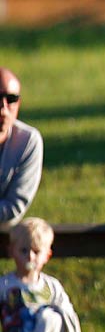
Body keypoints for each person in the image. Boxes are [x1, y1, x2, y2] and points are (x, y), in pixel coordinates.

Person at [0, 67, 43, 237]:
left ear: (18, 103)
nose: (3, 107)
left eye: (11, 98)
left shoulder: (28, 141)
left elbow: (14, 207)